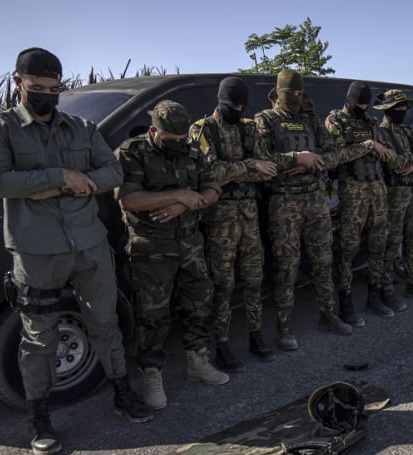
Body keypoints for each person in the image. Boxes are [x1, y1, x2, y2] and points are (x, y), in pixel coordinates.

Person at [0, 47, 151, 455]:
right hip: (36, 252)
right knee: (39, 339)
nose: (47, 95)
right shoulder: (5, 129)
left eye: (54, 88)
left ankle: (122, 393)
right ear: (18, 83)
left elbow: (112, 172)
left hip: (89, 244)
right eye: (37, 88)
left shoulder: (81, 127)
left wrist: (61, 184)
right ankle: (39, 418)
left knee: (106, 324)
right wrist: (57, 175)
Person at [254, 70, 389, 350]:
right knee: (287, 266)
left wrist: (318, 160)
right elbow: (259, 161)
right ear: (278, 92)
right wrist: (296, 159)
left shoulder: (311, 120)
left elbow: (333, 154)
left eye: (298, 93)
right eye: (289, 93)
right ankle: (284, 327)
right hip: (285, 200)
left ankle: (328, 314)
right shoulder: (265, 120)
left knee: (323, 261)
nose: (294, 97)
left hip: (314, 198)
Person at [117, 100, 230, 410]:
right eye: (172, 140)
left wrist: (186, 203)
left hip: (190, 242)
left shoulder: (193, 151)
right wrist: (177, 194)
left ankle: (198, 361)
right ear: (155, 131)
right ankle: (151, 373)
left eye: (183, 139)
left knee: (199, 302)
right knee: (152, 314)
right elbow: (129, 200)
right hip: (151, 246)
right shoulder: (133, 152)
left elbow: (212, 189)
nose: (180, 145)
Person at [190, 77, 277, 374]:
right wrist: (249, 166)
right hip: (219, 218)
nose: (237, 110)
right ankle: (223, 343)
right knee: (223, 284)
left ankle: (256, 335)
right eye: (232, 105)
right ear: (220, 102)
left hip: (249, 213)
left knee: (254, 278)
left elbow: (268, 168)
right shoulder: (202, 129)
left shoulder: (249, 127)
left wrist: (239, 171)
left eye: (241, 106)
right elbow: (208, 171)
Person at [325, 81, 398, 321]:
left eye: (366, 104)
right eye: (360, 104)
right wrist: (367, 146)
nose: (363, 108)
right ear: (350, 100)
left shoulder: (371, 123)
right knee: (348, 249)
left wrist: (382, 149)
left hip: (376, 190)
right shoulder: (335, 121)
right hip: (352, 193)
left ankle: (374, 296)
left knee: (378, 244)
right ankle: (345, 302)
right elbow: (334, 157)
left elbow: (389, 153)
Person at [372, 89, 413, 302]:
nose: (401, 111)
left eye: (403, 107)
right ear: (387, 109)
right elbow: (394, 162)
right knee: (391, 244)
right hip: (395, 195)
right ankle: (386, 291)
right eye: (396, 108)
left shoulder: (412, 131)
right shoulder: (379, 133)